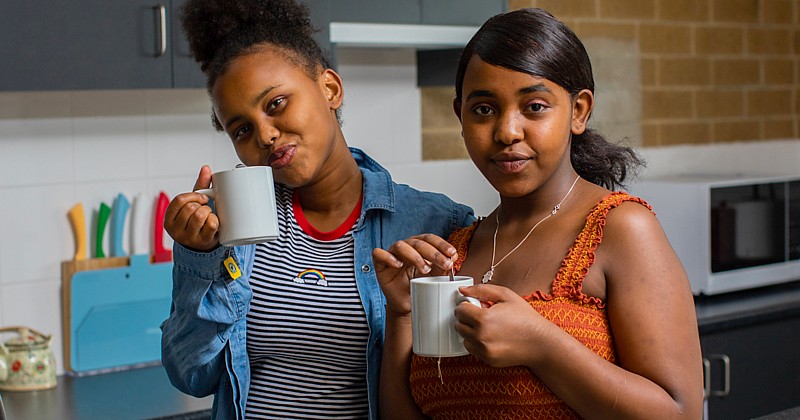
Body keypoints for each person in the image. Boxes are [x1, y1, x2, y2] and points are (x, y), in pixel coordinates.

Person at [372, 8, 704, 419]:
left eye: (534, 107)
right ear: (460, 117)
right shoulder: (456, 250)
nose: (507, 131)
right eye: (483, 109)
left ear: (578, 111)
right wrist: (402, 314)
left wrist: (543, 345)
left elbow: (682, 412)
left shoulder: (619, 228)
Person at [159, 0, 475, 418]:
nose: (266, 135)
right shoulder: (233, 234)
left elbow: (460, 386)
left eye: (275, 104)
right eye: (242, 129)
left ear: (330, 89)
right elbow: (191, 375)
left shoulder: (439, 225)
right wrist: (200, 260)